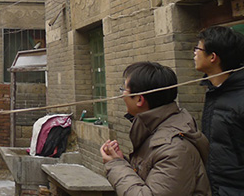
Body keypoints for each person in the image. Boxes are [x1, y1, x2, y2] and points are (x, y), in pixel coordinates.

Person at [100, 61, 210, 195]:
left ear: (139, 100)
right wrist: (122, 161)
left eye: (124, 89)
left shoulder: (175, 149)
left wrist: (116, 165)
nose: (122, 95)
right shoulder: (155, 130)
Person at [195, 26, 244, 195]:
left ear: (213, 57)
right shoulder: (215, 91)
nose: (194, 53)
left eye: (198, 49)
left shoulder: (239, 98)